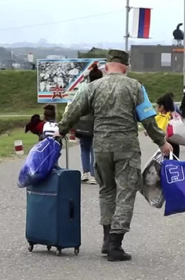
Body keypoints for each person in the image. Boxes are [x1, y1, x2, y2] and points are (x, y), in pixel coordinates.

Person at [56, 49, 173, 262]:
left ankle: (106, 238)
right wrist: (162, 142)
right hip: (126, 146)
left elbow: (73, 111)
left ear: (106, 66)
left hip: (100, 147)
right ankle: (115, 245)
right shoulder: (135, 87)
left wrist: (60, 131)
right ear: (125, 67)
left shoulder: (92, 87)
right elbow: (148, 118)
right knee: (126, 192)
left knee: (106, 190)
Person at [65, 64, 104, 185]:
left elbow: (74, 104)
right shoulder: (102, 90)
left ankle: (85, 173)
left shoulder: (83, 88)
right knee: (94, 148)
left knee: (84, 148)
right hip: (97, 122)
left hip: (82, 123)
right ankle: (94, 174)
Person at [155, 93, 181, 158]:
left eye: (158, 106)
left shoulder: (163, 117)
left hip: (167, 144)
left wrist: (163, 143)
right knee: (175, 163)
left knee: (167, 164)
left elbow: (162, 130)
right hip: (175, 143)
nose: (156, 108)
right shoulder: (175, 115)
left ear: (162, 107)